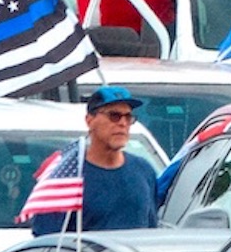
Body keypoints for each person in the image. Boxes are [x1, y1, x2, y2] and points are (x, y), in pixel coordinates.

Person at [31, 86, 159, 235]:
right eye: (114, 116)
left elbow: (151, 233)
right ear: (89, 120)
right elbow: (46, 239)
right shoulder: (67, 174)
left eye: (128, 117)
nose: (123, 123)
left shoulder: (144, 170)